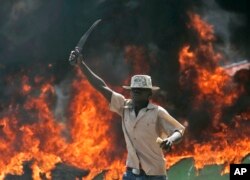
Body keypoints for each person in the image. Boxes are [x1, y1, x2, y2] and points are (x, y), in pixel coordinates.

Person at [69, 48, 185, 180]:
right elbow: (102, 87)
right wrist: (81, 64)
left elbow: (179, 130)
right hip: (131, 174)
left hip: (154, 175)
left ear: (149, 94)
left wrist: (170, 140)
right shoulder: (124, 107)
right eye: (134, 90)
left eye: (140, 90)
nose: (136, 92)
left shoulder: (157, 112)